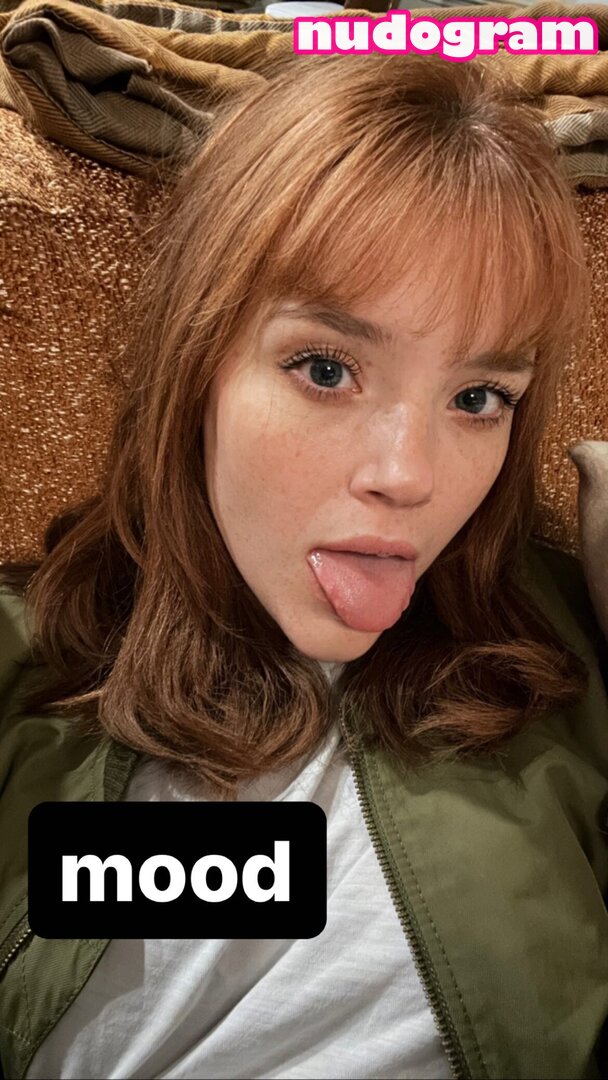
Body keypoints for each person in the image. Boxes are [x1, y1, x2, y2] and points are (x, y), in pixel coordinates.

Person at [0, 51, 607, 1080]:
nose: (408, 476)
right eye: (325, 368)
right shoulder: (26, 662)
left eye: (477, 399)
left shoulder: (561, 659)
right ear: (196, 361)